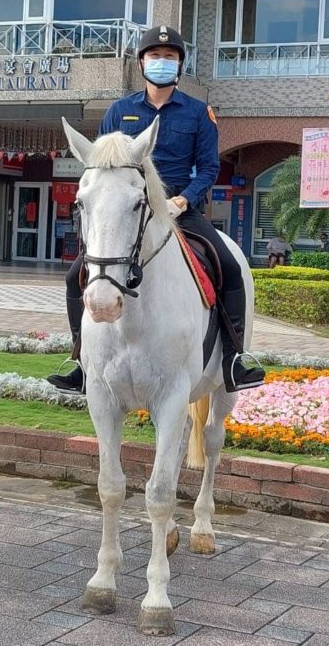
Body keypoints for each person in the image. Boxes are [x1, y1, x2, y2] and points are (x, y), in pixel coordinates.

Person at [46, 25, 265, 394]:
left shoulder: (199, 113)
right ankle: (80, 361)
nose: (161, 62)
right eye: (154, 56)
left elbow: (209, 168)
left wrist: (183, 200)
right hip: (130, 212)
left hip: (178, 208)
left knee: (228, 265)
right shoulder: (120, 110)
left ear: (179, 66)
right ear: (142, 63)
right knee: (74, 276)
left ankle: (233, 358)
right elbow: (100, 167)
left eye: (169, 57)